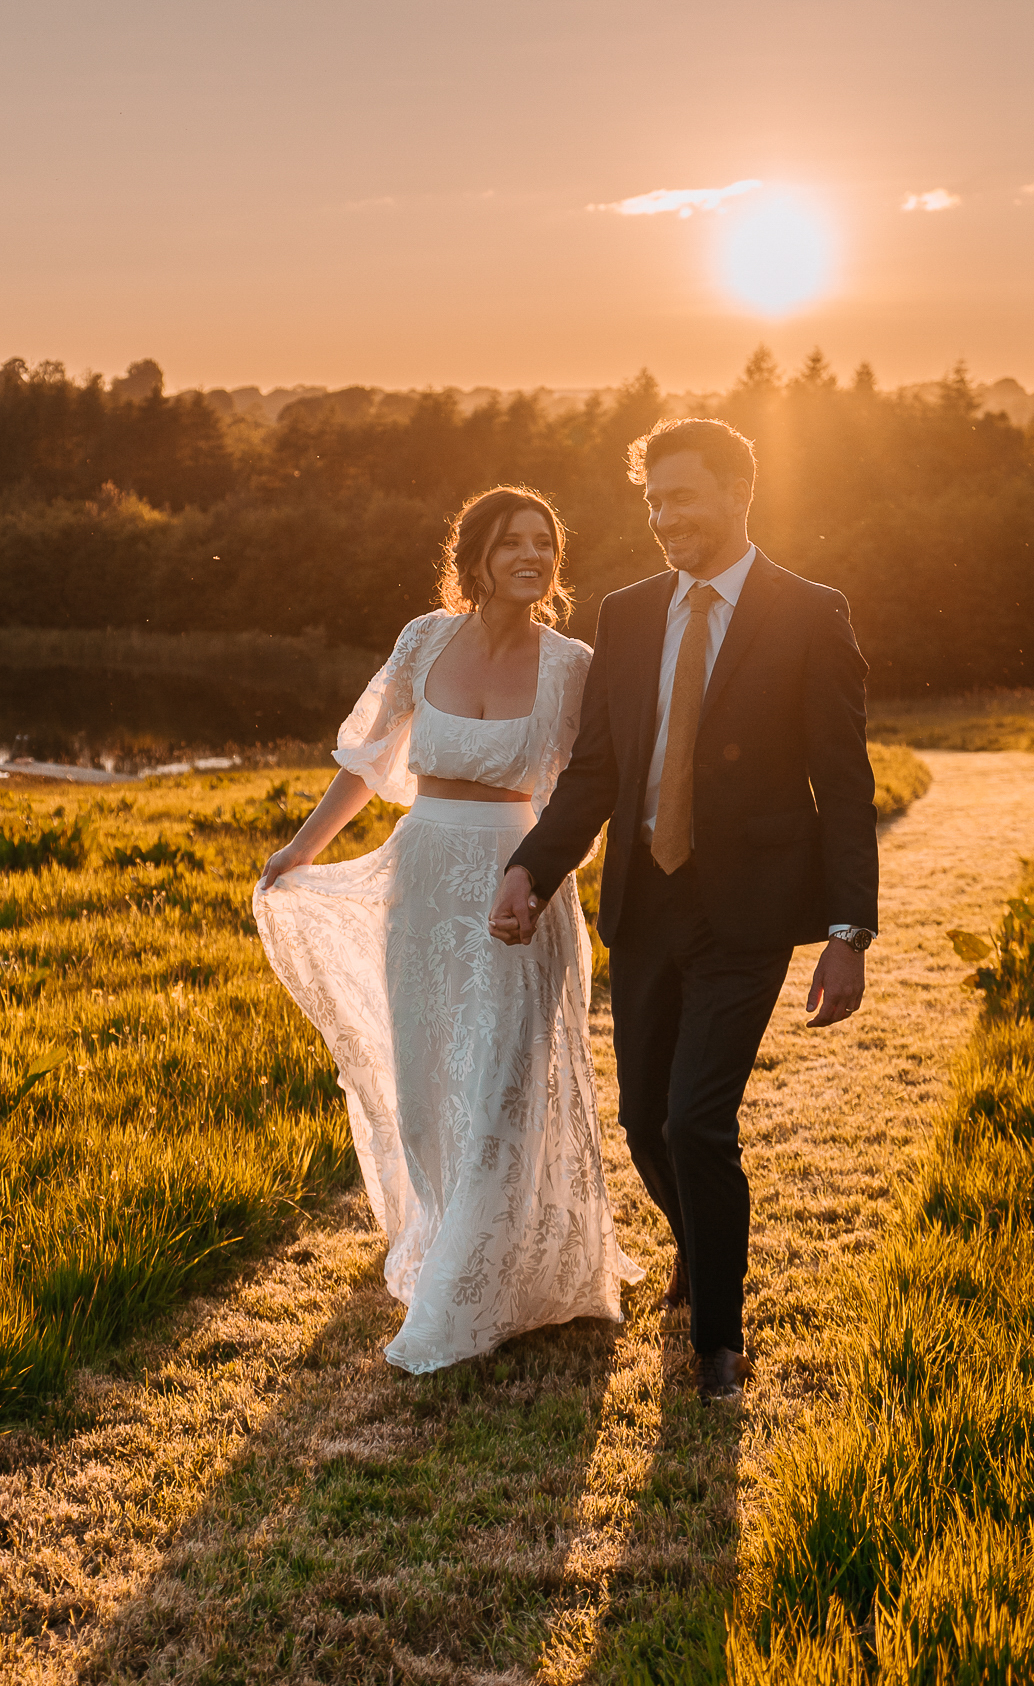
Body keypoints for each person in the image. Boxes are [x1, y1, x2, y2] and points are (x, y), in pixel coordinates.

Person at [488, 419, 878, 1404]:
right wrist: (531, 871)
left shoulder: (808, 612)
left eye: (683, 498)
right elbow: (596, 773)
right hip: (646, 908)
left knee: (697, 1122)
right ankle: (697, 1240)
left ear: (737, 493)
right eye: (653, 501)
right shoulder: (624, 615)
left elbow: (842, 779)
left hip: (747, 916)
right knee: (643, 1125)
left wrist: (846, 932)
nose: (664, 518)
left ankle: (717, 1336)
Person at [254, 487, 641, 1375]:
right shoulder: (424, 639)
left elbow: (583, 794)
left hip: (518, 885)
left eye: (546, 542)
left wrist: (542, 886)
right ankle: (449, 1241)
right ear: (476, 557)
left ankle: (475, 1291)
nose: (533, 556)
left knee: (507, 1080)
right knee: (431, 1077)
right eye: (514, 542)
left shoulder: (572, 664)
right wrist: (302, 846)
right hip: (423, 878)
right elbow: (367, 763)